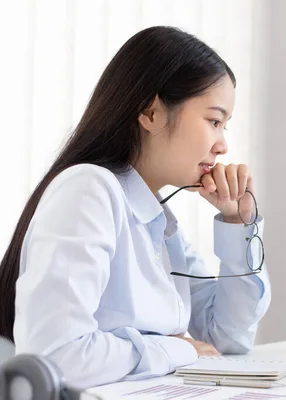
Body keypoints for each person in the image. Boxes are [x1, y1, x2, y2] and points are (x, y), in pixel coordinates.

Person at [0, 26, 271, 389]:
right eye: (214, 121)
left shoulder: (157, 219)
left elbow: (227, 339)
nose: (222, 145)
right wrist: (176, 350)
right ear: (151, 112)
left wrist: (238, 224)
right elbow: (56, 356)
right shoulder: (88, 190)